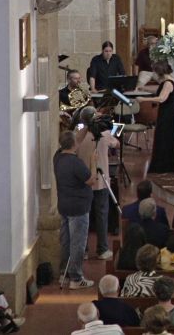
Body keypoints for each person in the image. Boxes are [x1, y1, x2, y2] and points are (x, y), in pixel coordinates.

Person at [75, 106, 119, 261]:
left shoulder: (78, 135)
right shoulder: (103, 133)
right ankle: (102, 249)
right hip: (100, 181)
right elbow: (116, 144)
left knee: (83, 217)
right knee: (101, 215)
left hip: (83, 180)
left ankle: (84, 250)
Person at [54, 129, 95, 289]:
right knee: (78, 243)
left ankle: (64, 273)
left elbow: (73, 140)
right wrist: (93, 161)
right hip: (78, 208)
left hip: (64, 205)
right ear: (74, 145)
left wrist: (85, 127)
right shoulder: (76, 163)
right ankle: (76, 278)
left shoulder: (57, 157)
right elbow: (90, 180)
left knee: (66, 241)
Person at [145, 60, 174, 174]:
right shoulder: (166, 81)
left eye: (154, 72)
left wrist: (143, 99)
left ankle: (164, 166)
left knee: (164, 139)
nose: (153, 74)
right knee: (163, 138)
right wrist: (143, 89)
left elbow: (161, 98)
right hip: (166, 113)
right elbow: (158, 91)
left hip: (168, 115)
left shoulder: (168, 83)